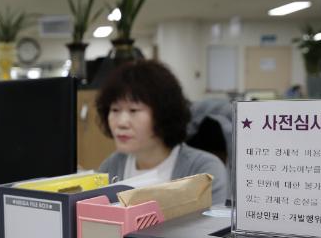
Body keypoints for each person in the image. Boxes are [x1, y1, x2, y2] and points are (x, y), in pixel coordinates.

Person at [96, 60, 228, 204]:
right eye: (115, 110)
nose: (121, 123)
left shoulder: (203, 170)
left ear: (163, 114)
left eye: (133, 110)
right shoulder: (111, 166)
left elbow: (212, 226)